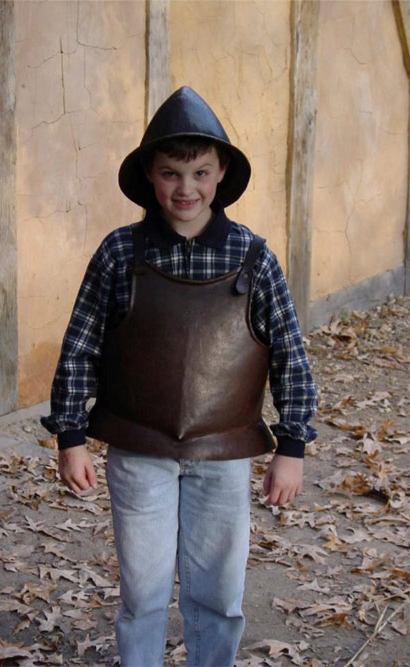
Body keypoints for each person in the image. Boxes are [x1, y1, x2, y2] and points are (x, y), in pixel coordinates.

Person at [42, 86, 317, 667]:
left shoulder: (253, 257)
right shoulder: (120, 253)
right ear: (150, 174)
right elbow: (81, 347)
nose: (185, 188)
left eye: (200, 172)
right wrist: (69, 435)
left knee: (219, 591)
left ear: (221, 176)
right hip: (139, 449)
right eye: (170, 173)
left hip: (224, 452)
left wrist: (291, 444)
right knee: (141, 591)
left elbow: (290, 353)